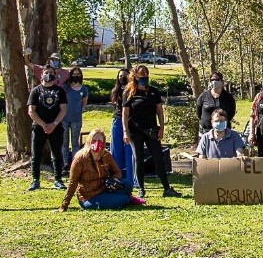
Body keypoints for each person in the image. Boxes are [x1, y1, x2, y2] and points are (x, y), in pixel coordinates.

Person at [122, 64, 181, 198]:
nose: (144, 77)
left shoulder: (153, 91)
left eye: (146, 74)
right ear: (135, 76)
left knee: (158, 158)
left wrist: (161, 127)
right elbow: (125, 115)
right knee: (139, 159)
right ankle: (141, 188)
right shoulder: (129, 92)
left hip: (152, 129)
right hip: (135, 130)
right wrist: (125, 131)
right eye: (141, 75)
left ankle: (166, 188)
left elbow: (159, 111)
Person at [59, 128, 144, 211]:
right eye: (94, 140)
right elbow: (72, 182)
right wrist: (64, 205)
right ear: (89, 141)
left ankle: (127, 197)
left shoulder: (106, 155)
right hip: (89, 196)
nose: (97, 143)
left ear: (103, 142)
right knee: (123, 199)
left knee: (128, 185)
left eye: (100, 141)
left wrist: (112, 180)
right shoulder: (80, 158)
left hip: (105, 188)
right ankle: (129, 198)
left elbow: (117, 172)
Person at [27, 65, 68, 191]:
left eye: (51, 73)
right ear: (41, 75)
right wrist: (43, 125)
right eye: (46, 72)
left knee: (57, 154)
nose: (48, 75)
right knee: (36, 154)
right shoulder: (35, 91)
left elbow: (63, 109)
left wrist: (54, 124)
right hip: (39, 127)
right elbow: (31, 111)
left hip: (56, 127)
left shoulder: (60, 91)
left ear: (55, 76)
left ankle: (58, 179)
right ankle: (35, 180)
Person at [110, 68, 135, 187]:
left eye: (125, 76)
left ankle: (131, 179)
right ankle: (117, 177)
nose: (122, 78)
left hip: (130, 122)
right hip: (117, 120)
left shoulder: (133, 90)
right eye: (120, 76)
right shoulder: (115, 91)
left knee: (129, 151)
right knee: (116, 150)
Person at [61, 66, 88, 168]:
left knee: (75, 142)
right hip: (63, 119)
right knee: (64, 142)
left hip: (76, 119)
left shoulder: (84, 89)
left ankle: (75, 163)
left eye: (78, 74)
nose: (76, 76)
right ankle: (65, 163)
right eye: (74, 74)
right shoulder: (65, 87)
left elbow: (84, 103)